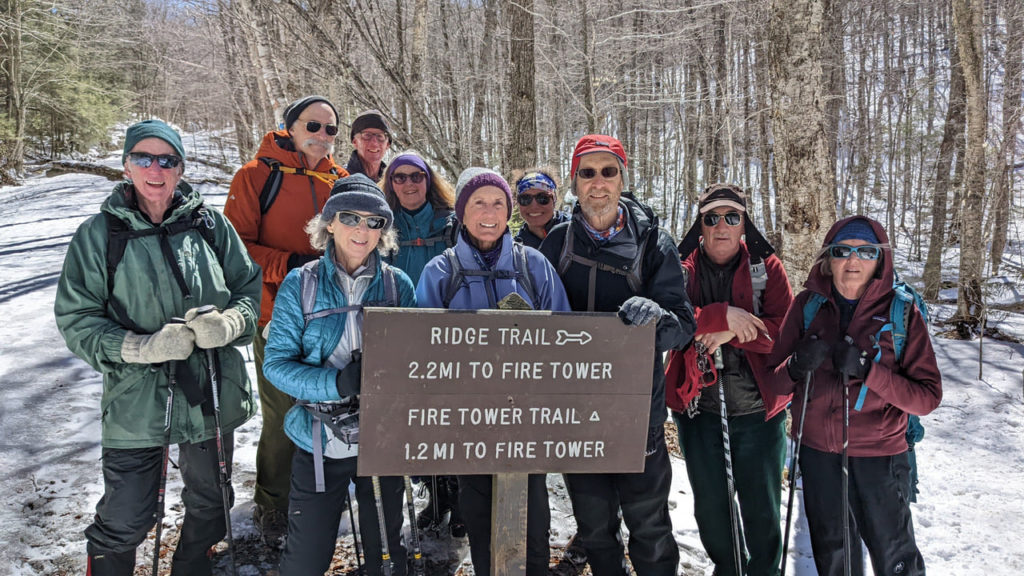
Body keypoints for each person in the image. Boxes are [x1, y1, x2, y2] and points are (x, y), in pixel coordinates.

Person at [54, 119, 261, 576]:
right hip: (136, 399)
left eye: (167, 160)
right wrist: (139, 347)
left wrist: (229, 325)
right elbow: (76, 319)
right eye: (143, 158)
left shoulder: (211, 225)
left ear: (181, 168)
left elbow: (250, 289)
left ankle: (193, 566)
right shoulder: (99, 235)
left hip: (209, 389)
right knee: (127, 514)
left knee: (212, 501)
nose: (155, 168)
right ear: (127, 165)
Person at [538, 134, 695, 576]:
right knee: (595, 530)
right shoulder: (556, 244)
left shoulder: (653, 244)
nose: (598, 183)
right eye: (587, 173)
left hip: (636, 417)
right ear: (575, 182)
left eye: (609, 172)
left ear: (623, 178)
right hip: (574, 415)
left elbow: (684, 326)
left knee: (650, 530)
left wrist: (657, 317)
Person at [766, 215, 942, 576]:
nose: (853, 261)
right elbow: (773, 383)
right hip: (818, 455)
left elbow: (926, 397)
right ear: (828, 259)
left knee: (896, 559)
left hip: (879, 457)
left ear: (880, 261)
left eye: (866, 252)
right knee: (834, 558)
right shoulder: (807, 307)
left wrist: (869, 372)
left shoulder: (901, 314)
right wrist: (797, 365)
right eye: (842, 251)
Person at [417, 167, 571, 576]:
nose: (489, 212)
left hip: (528, 422)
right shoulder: (439, 273)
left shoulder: (533, 266)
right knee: (482, 522)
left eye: (498, 203)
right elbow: (419, 353)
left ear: (509, 213)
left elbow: (566, 336)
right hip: (469, 425)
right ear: (462, 212)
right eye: (478, 203)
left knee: (533, 522)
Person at [263, 174, 415, 576]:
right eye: (350, 217)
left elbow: (414, 363)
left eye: (374, 221)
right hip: (318, 438)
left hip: (379, 440)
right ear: (329, 223)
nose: (362, 230)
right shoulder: (301, 283)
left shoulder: (398, 286)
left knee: (386, 554)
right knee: (306, 557)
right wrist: (337, 383)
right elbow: (275, 364)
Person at [224, 95, 348, 546]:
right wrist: (291, 264)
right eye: (313, 125)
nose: (322, 135)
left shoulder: (341, 180)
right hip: (277, 315)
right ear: (290, 127)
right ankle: (273, 504)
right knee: (282, 413)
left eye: (331, 129)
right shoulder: (256, 176)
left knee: (334, 409)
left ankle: (322, 496)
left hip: (333, 317)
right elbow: (233, 250)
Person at [664, 183, 793, 576]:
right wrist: (722, 315)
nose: (722, 226)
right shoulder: (679, 267)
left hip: (758, 411)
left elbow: (785, 333)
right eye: (712, 218)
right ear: (701, 225)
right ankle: (728, 569)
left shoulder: (766, 269)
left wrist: (731, 332)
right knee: (713, 510)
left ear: (743, 225)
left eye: (732, 217)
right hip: (700, 408)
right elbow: (671, 319)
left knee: (762, 509)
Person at [382, 150, 458, 286]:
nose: (409, 183)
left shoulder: (454, 226)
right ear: (391, 184)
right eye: (400, 178)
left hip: (445, 305)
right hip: (396, 306)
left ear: (428, 180)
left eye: (416, 176)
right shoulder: (381, 228)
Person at [510, 166, 569, 249]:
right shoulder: (517, 249)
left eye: (542, 198)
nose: (534, 206)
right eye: (525, 199)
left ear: (554, 200)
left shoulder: (576, 230)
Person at [346, 109, 392, 181]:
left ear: (387, 144)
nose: (374, 143)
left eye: (380, 136)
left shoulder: (393, 183)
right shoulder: (340, 178)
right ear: (355, 141)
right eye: (367, 135)